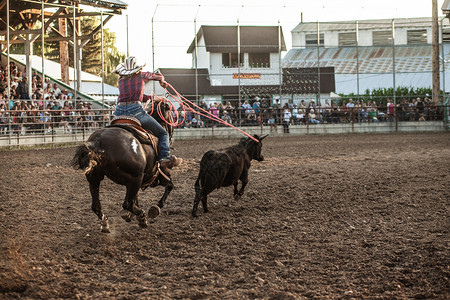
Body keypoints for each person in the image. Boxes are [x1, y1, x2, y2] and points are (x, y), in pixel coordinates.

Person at [113, 56, 182, 169]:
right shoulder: (140, 75)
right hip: (135, 112)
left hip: (119, 113)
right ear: (137, 68)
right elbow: (157, 75)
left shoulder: (121, 79)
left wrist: (155, 98)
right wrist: (162, 81)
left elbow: (137, 96)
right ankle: (164, 157)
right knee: (163, 133)